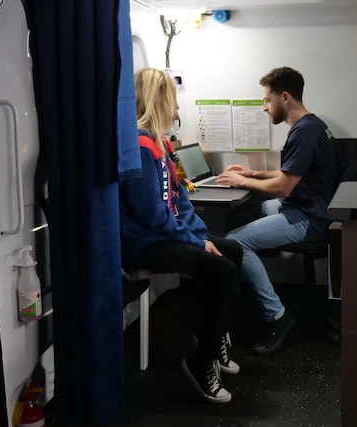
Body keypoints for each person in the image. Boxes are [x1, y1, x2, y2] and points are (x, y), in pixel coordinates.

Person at [119, 67, 243, 404]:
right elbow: (153, 216)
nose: (176, 111)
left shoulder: (161, 145)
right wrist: (196, 243)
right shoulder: (141, 148)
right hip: (142, 243)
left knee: (231, 251)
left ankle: (213, 337)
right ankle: (201, 361)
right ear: (159, 100)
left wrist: (201, 237)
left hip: (165, 234)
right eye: (172, 102)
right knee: (221, 269)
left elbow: (180, 199)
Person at [217, 66, 342, 355]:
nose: (264, 107)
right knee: (254, 209)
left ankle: (276, 315)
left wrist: (242, 181)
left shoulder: (304, 133)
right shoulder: (311, 125)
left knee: (236, 242)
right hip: (310, 204)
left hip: (309, 217)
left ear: (284, 97)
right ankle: (245, 286)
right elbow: (291, 176)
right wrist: (251, 173)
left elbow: (284, 187)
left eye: (266, 100)